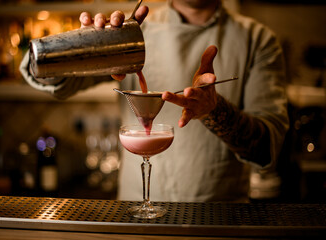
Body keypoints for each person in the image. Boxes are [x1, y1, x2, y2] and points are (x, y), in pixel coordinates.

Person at [20, 0, 289, 202]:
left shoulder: (257, 40)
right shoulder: (133, 30)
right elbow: (49, 80)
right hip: (136, 221)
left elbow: (266, 149)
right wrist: (80, 45)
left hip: (218, 222)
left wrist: (214, 110)